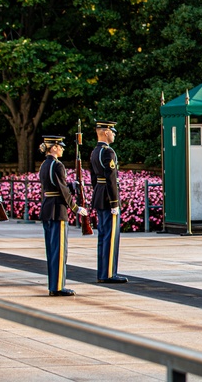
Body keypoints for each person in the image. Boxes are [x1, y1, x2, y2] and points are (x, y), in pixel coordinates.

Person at [38, 135, 88, 297]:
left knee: (51, 250)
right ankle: (58, 286)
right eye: (60, 146)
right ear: (53, 148)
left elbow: (55, 185)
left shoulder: (45, 165)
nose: (62, 149)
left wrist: (72, 185)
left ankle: (54, 284)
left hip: (47, 207)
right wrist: (75, 207)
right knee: (59, 251)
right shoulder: (57, 165)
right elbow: (62, 189)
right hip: (57, 209)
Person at [90, 120, 127, 284]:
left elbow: (93, 178)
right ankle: (109, 273)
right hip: (108, 197)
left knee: (103, 236)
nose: (113, 134)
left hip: (99, 194)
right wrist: (114, 203)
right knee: (111, 237)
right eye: (112, 131)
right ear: (105, 132)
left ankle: (102, 272)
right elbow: (111, 179)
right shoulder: (108, 152)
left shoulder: (94, 151)